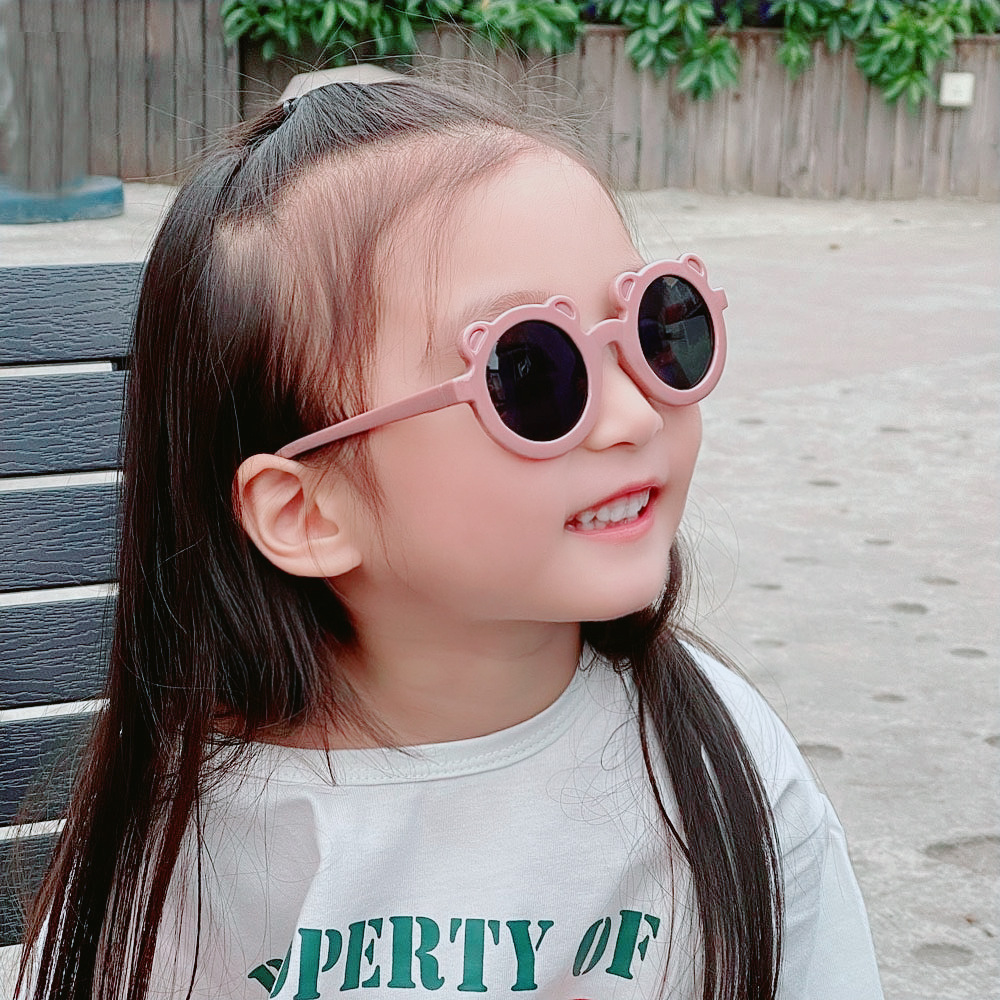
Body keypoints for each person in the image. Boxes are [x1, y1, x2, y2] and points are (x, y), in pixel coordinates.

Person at [16, 75, 883, 1000]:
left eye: (657, 327)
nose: (635, 414)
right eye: (531, 372)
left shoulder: (718, 755)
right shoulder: (194, 853)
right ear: (308, 513)